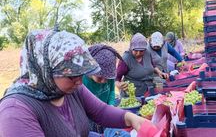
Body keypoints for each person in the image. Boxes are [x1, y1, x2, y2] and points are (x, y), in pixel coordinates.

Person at [0, 29, 148, 137]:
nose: (79, 81)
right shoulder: (15, 111)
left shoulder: (70, 89)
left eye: (82, 73)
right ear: (45, 70)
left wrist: (131, 118)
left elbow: (101, 111)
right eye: (71, 75)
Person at [82, 44, 123, 133]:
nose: (104, 81)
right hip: (89, 119)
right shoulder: (83, 81)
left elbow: (112, 91)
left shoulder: (109, 78)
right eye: (99, 77)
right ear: (91, 70)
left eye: (107, 78)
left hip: (105, 114)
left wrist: (111, 105)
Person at [115, 33, 168, 97]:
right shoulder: (126, 59)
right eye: (136, 51)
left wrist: (159, 72)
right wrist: (118, 84)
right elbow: (116, 77)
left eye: (141, 51)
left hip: (148, 91)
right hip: (133, 95)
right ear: (131, 48)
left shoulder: (147, 53)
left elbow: (152, 66)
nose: (138, 53)